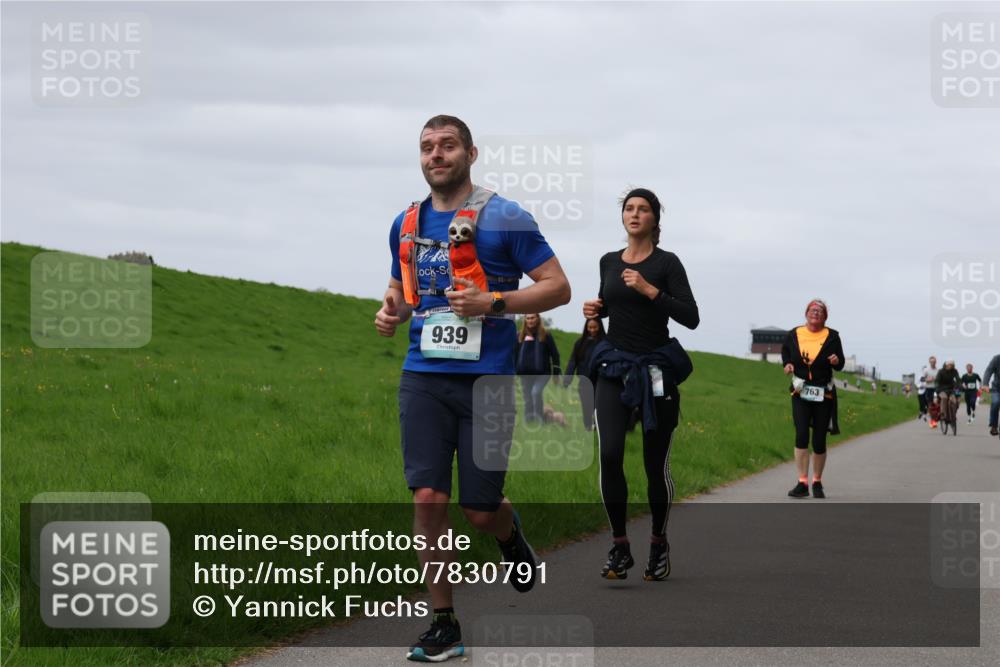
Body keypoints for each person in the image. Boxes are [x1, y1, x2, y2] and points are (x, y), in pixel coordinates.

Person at [374, 115, 571, 663]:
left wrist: (494, 303)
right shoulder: (405, 222)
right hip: (423, 377)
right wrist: (391, 311)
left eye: (447, 145)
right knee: (429, 498)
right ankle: (443, 622)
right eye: (427, 147)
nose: (436, 154)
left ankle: (509, 537)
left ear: (471, 153)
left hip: (487, 383)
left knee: (479, 510)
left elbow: (558, 287)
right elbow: (402, 289)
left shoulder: (506, 217)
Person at [582, 187, 699, 581]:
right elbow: (611, 306)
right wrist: (595, 311)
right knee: (610, 454)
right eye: (629, 209)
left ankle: (658, 542)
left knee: (654, 464)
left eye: (642, 209)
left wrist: (651, 290)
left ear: (654, 219)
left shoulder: (668, 263)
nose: (634, 214)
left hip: (655, 368)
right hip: (615, 365)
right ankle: (619, 546)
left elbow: (691, 316)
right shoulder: (608, 262)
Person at [781, 299, 845, 499]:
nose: (815, 313)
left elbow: (840, 363)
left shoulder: (832, 337)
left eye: (820, 311)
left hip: (823, 393)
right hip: (800, 392)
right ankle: (802, 482)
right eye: (812, 310)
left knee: (819, 439)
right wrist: (788, 364)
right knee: (801, 434)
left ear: (825, 316)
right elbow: (786, 355)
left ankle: (817, 481)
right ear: (806, 313)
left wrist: (836, 361)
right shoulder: (794, 334)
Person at [515, 314, 561, 423]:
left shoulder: (546, 335)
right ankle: (529, 422)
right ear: (525, 320)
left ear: (538, 319)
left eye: (533, 318)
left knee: (535, 392)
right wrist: (514, 371)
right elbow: (514, 354)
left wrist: (556, 374)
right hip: (525, 373)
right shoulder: (519, 335)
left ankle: (540, 421)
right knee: (527, 399)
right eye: (528, 318)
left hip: (543, 373)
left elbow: (555, 355)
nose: (530, 320)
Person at [562, 317, 606, 431]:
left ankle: (598, 427)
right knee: (586, 406)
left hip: (600, 380)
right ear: (586, 328)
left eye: (595, 327)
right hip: (584, 381)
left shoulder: (605, 343)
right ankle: (588, 427)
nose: (592, 330)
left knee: (599, 405)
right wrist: (567, 379)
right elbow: (573, 361)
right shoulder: (580, 343)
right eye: (590, 327)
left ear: (599, 327)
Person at [936, 360, 962, 429]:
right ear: (946, 365)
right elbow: (937, 381)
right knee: (944, 398)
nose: (950, 366)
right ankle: (943, 414)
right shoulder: (941, 371)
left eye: (952, 365)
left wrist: (960, 385)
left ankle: (953, 415)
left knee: (955, 401)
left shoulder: (954, 371)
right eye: (949, 365)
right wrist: (937, 388)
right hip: (941, 389)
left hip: (951, 389)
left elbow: (958, 379)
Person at [983, 354, 1000, 437]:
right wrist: (985, 384)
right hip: (997, 388)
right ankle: (994, 426)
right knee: (996, 402)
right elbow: (989, 371)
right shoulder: (997, 359)